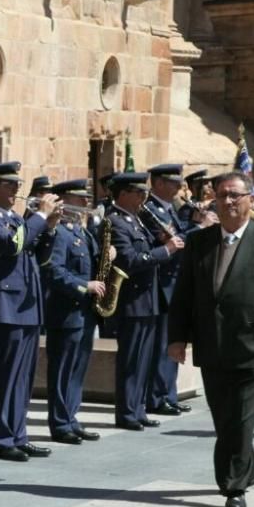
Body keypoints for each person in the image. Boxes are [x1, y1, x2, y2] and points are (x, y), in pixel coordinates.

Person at [168, 171, 254, 507]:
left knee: (241, 417)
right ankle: (247, 469)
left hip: (253, 343)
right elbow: (184, 294)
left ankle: (233, 487)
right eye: (222, 196)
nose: (228, 202)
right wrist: (177, 337)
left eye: (236, 196)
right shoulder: (200, 242)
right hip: (211, 344)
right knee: (225, 418)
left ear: (250, 200)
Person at [0, 161, 58, 462]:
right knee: (5, 377)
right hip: (5, 309)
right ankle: (3, 438)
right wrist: (39, 217)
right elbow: (11, 245)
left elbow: (41, 257)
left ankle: (19, 434)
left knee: (24, 378)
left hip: (27, 307)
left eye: (16, 185)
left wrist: (49, 228)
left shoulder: (15, 219)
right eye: (9, 185)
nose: (15, 190)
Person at [105, 172, 184, 430]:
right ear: (124, 194)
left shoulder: (136, 220)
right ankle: (127, 412)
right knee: (131, 360)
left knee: (143, 360)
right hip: (132, 301)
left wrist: (161, 240)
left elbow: (146, 251)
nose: (143, 197)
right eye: (138, 193)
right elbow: (130, 260)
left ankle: (137, 409)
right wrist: (166, 250)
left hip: (147, 300)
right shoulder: (116, 222)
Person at [39, 179, 106, 444]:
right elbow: (54, 271)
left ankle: (71, 417)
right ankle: (60, 422)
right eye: (80, 199)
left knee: (78, 369)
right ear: (65, 201)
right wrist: (83, 286)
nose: (86, 204)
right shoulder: (60, 233)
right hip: (65, 312)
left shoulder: (81, 232)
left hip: (85, 313)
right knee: (63, 370)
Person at [144, 164, 192, 417]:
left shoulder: (167, 208)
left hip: (173, 283)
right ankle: (157, 396)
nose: (178, 187)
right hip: (162, 284)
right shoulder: (150, 209)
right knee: (163, 343)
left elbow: (179, 235)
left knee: (173, 341)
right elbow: (173, 241)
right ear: (159, 183)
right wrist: (200, 228)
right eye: (173, 182)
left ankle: (168, 394)